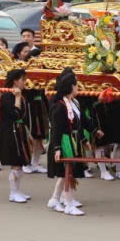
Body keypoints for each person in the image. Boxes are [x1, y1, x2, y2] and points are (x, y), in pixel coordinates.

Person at [47, 70, 86, 216]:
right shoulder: (60, 106)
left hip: (72, 140)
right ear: (70, 87)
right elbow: (56, 129)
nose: (78, 88)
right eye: (76, 86)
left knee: (65, 174)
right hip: (64, 142)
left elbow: (78, 124)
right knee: (67, 173)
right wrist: (57, 148)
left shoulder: (71, 103)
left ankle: (55, 199)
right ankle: (68, 204)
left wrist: (84, 139)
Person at [0, 68, 33, 203]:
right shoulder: (8, 96)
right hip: (10, 131)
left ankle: (17, 190)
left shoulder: (21, 94)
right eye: (23, 79)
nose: (25, 82)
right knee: (15, 163)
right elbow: (15, 114)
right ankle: (13, 192)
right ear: (15, 81)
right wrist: (17, 98)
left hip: (18, 130)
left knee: (19, 162)